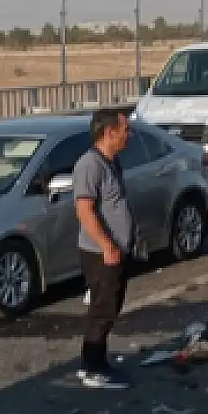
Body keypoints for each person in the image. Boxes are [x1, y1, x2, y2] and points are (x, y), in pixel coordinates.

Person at [73, 108, 136, 389]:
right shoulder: (90, 165)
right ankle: (91, 368)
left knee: (109, 308)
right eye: (126, 130)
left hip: (116, 251)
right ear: (109, 132)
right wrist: (108, 246)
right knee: (102, 310)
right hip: (100, 254)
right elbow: (85, 211)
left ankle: (99, 361)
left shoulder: (112, 163)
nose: (129, 135)